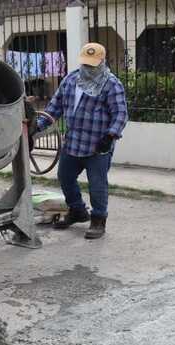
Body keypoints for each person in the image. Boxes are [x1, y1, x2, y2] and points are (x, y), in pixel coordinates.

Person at [35, 43, 128, 239]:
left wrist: (110, 135)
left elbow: (120, 114)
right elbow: (55, 107)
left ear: (102, 62)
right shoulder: (70, 80)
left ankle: (98, 220)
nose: (89, 68)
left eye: (93, 65)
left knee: (97, 184)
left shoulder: (111, 84)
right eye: (86, 64)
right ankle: (77, 211)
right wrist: (39, 125)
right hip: (73, 142)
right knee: (65, 176)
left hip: (98, 145)